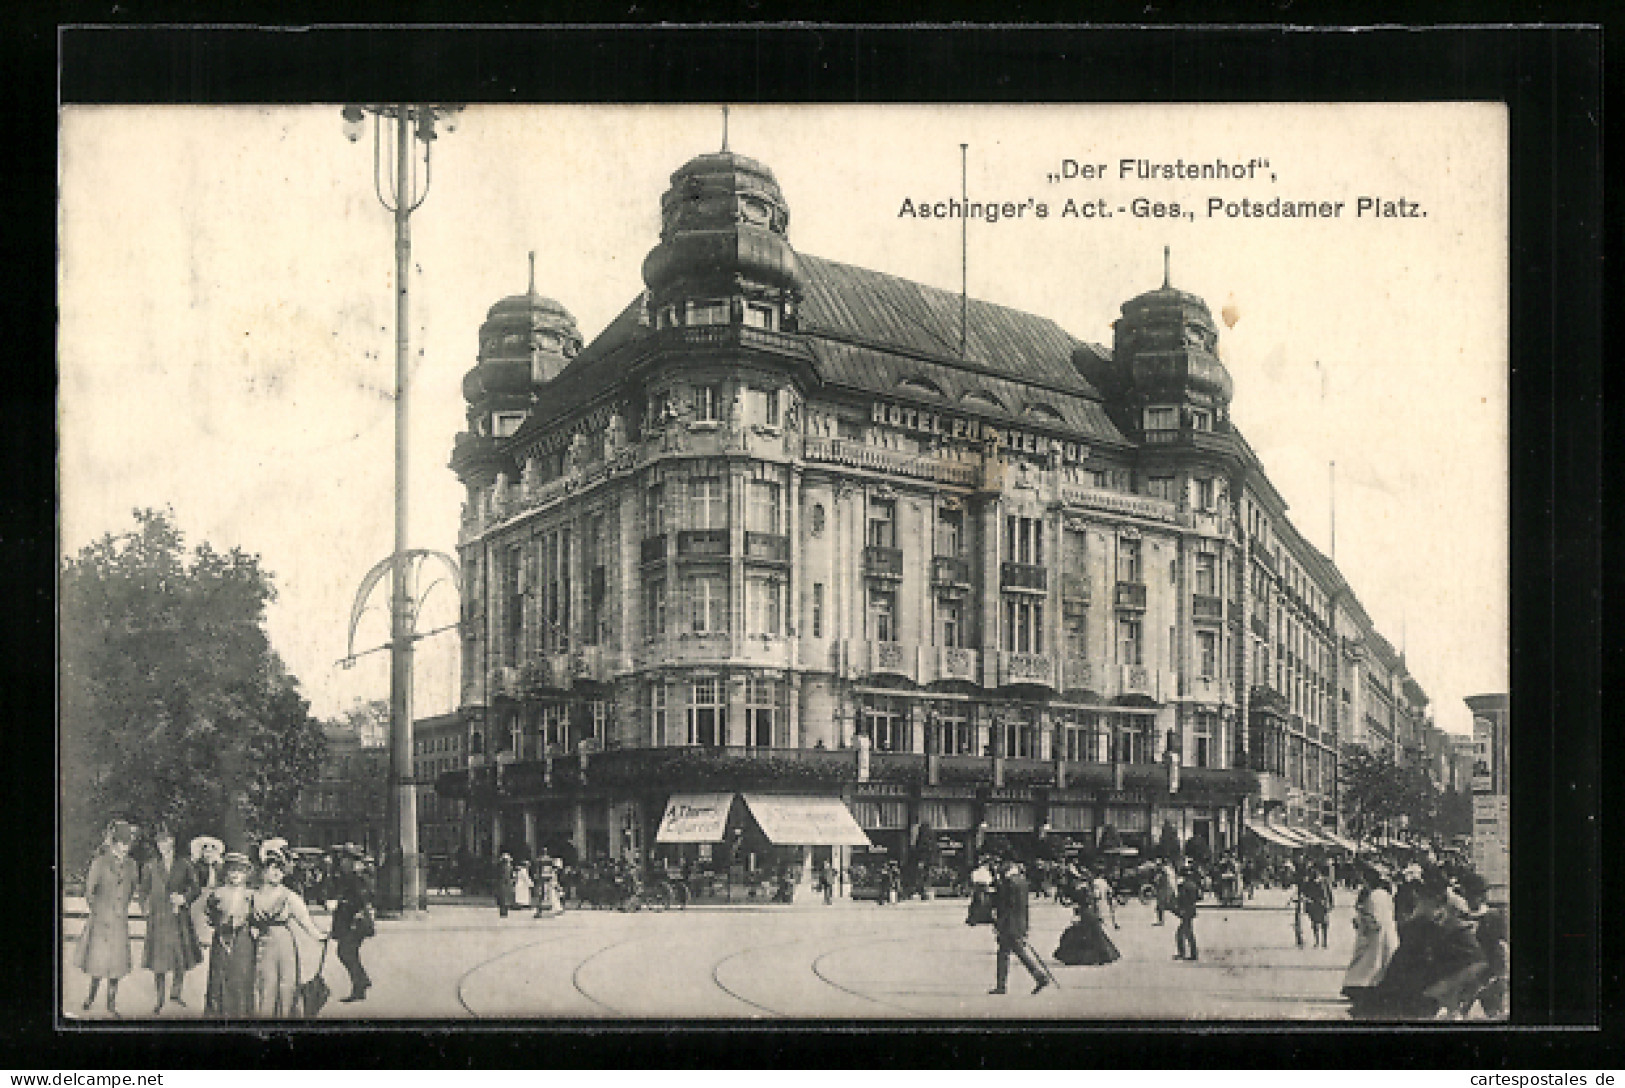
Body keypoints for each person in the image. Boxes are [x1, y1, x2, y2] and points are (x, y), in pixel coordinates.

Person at [251, 848, 326, 1017]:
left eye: (280, 868)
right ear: (263, 871)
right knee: (265, 983)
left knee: (287, 983)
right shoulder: (253, 896)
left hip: (285, 943)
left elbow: (305, 920)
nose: (277, 872)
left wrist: (319, 936)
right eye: (272, 868)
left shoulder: (289, 896)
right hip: (263, 942)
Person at [76, 819, 139, 1016]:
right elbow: (89, 891)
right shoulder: (100, 862)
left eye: (128, 844)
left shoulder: (132, 865)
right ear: (113, 843)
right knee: (97, 962)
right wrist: (98, 911)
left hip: (119, 921)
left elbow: (131, 890)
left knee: (116, 965)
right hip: (101, 920)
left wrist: (121, 909)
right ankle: (91, 997)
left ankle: (111, 1004)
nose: (125, 848)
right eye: (121, 843)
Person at [138, 827, 203, 1014]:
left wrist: (184, 898)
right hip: (158, 918)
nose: (162, 846)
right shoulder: (150, 866)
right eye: (159, 843)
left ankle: (176, 993)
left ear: (172, 842)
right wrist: (146, 908)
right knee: (158, 960)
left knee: (179, 957)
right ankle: (159, 999)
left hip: (178, 918)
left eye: (166, 841)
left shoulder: (184, 864)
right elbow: (143, 892)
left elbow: (195, 887)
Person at [203, 851, 258, 1018]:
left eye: (240, 871)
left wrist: (251, 925)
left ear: (246, 873)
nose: (235, 874)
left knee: (240, 978)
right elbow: (209, 914)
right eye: (232, 870)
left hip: (243, 940)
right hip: (221, 939)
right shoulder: (218, 893)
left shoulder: (251, 895)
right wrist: (219, 921)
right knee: (218, 977)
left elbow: (258, 917)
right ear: (226, 872)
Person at [1341, 865, 1399, 1016]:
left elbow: (1373, 918)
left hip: (1375, 936)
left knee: (1368, 963)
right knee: (1380, 963)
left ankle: (1361, 992)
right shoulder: (1385, 894)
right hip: (1387, 932)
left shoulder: (1373, 896)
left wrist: (1360, 922)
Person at [989, 860, 1050, 995]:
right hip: (1019, 922)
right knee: (1015, 951)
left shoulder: (1008, 884)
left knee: (1006, 953)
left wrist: (999, 923)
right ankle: (1038, 977)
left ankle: (1003, 985)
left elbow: (1006, 906)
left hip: (1009, 924)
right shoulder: (1022, 882)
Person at [330, 846, 374, 1003]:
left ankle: (360, 982)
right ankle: (360, 985)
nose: (342, 862)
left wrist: (342, 903)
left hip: (354, 922)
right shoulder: (347, 876)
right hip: (349, 920)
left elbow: (362, 899)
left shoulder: (357, 877)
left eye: (345, 859)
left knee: (345, 952)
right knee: (349, 952)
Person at [1054, 870, 1121, 966]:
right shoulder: (1089, 888)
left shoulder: (1081, 889)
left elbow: (1080, 902)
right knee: (1093, 935)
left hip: (1084, 913)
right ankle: (1102, 956)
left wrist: (1073, 904)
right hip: (1088, 913)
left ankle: (1082, 958)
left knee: (1082, 935)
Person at [1300, 865, 1335, 948]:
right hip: (1313, 905)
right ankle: (1317, 941)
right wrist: (1307, 902)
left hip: (1323, 905)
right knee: (1315, 924)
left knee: (1324, 924)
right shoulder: (1308, 883)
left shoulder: (1324, 882)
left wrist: (1331, 904)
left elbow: (1329, 893)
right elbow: (1304, 894)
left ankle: (1324, 942)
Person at [1173, 864, 1201, 962]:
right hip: (1191, 910)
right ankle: (1192, 953)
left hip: (1186, 910)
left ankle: (1184, 953)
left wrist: (1179, 908)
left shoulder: (1183, 886)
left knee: (1182, 933)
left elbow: (1181, 898)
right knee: (1188, 932)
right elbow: (1198, 897)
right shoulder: (1193, 885)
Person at [533, 850, 563, 918]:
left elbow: (554, 880)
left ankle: (556, 909)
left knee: (552, 898)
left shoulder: (553, 873)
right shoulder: (552, 872)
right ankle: (542, 910)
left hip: (550, 885)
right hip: (548, 884)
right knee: (546, 896)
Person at [1154, 858, 1177, 926]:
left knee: (1160, 906)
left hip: (1164, 890)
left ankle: (1161, 921)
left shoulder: (1163, 871)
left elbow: (1161, 881)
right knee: (1166, 905)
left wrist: (1157, 882)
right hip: (1170, 889)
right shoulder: (1170, 870)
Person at [494, 852, 515, 917]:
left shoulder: (506, 867)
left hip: (505, 884)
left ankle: (504, 911)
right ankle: (503, 911)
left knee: (505, 898)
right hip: (504, 884)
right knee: (504, 898)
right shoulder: (504, 867)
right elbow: (506, 876)